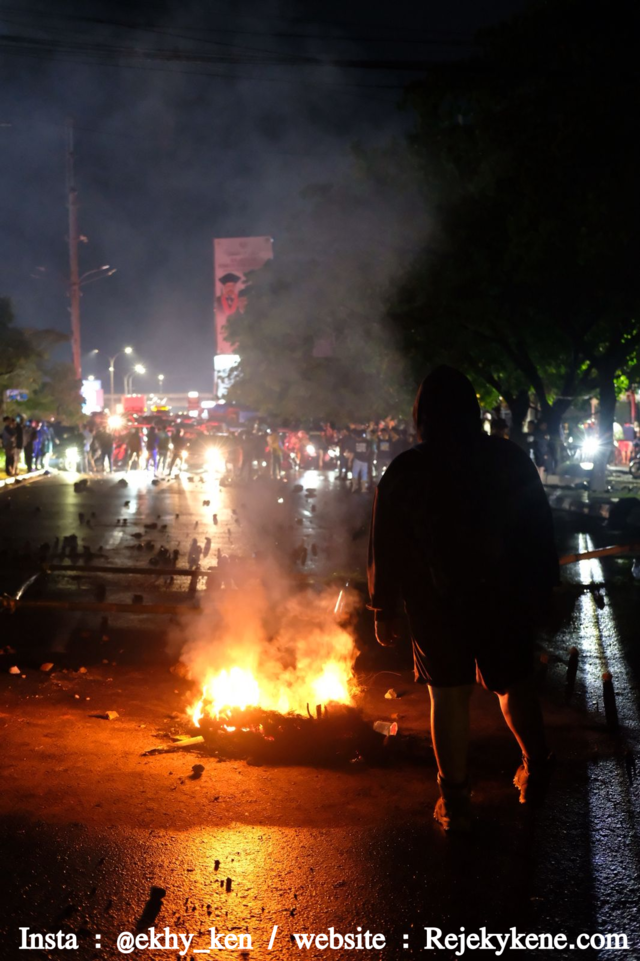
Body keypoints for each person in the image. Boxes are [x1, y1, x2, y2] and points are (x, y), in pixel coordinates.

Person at [368, 366, 558, 832]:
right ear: (473, 411)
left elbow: (385, 544)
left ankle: (455, 802)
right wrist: (543, 587)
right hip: (503, 597)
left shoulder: (407, 470)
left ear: (422, 415)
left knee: (448, 696)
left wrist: (383, 607)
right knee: (512, 683)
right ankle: (535, 768)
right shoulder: (509, 460)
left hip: (436, 603)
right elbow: (537, 529)